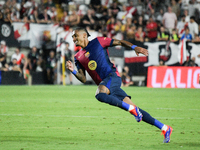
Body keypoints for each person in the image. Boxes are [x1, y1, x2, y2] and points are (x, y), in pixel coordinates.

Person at [66, 27, 173, 143]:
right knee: (137, 109)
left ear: (84, 35)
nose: (73, 38)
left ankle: (131, 109)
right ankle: (164, 128)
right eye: (72, 37)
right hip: (108, 85)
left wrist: (134, 47)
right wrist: (73, 70)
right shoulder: (78, 57)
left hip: (112, 77)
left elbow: (120, 42)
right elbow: (83, 79)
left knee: (99, 95)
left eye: (75, 35)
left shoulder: (98, 41)